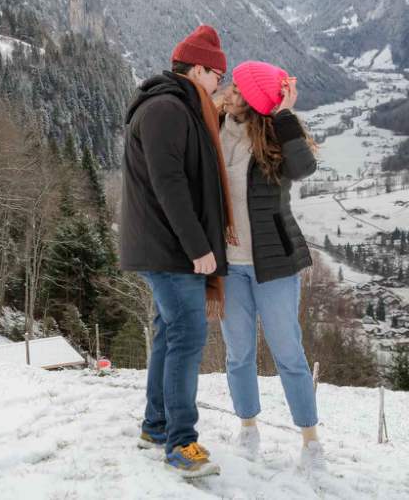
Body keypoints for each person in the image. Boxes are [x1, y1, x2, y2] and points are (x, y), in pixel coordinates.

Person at [118, 24, 232, 479]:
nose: (218, 86)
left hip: (162, 246)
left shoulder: (174, 105)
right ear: (198, 69)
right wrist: (199, 248)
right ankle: (181, 443)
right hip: (170, 250)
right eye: (216, 77)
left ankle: (155, 425)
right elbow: (171, 184)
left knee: (170, 334)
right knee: (187, 337)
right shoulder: (167, 108)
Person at [216, 61, 324, 473]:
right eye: (233, 88)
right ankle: (248, 427)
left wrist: (284, 115)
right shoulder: (214, 129)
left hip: (274, 263)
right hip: (229, 265)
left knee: (288, 353)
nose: (234, 95)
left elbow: (304, 168)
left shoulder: (274, 135)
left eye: (244, 93)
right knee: (238, 353)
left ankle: (311, 440)